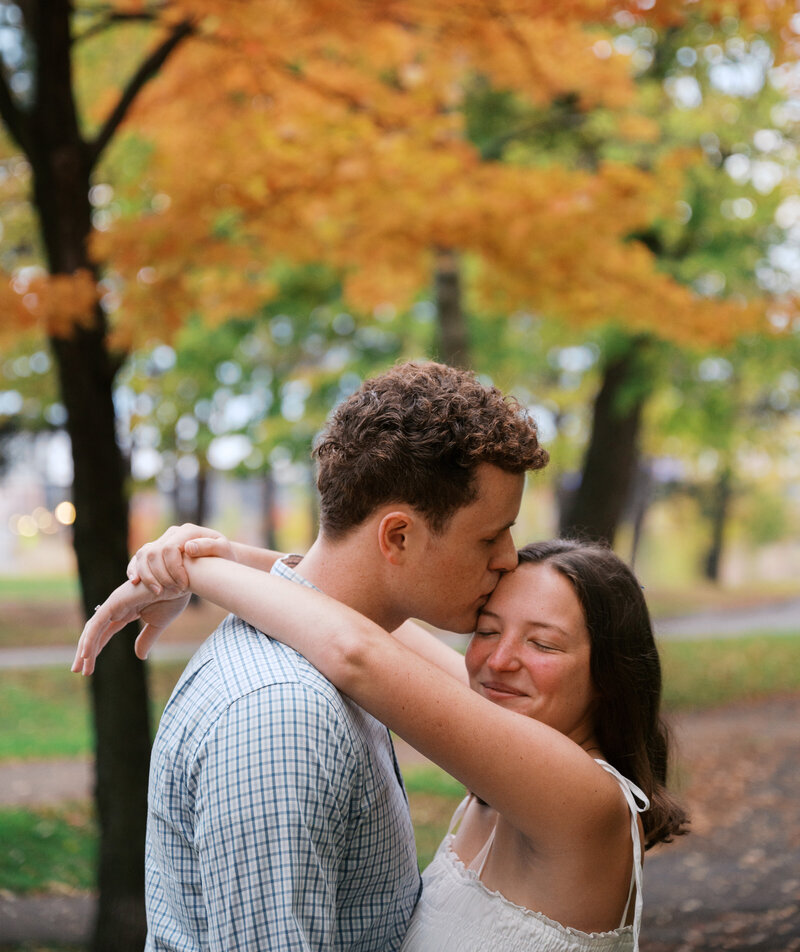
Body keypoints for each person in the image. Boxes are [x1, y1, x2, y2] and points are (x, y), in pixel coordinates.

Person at [74, 361, 548, 951]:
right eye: (489, 536)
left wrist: (213, 563)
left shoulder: (336, 662)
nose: (509, 558)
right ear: (398, 537)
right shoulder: (282, 714)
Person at [77, 537, 688, 952]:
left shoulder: (583, 799)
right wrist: (220, 550)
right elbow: (364, 621)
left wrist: (196, 572)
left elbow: (358, 654)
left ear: (610, 676)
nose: (500, 661)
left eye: (544, 644)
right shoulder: (511, 721)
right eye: (487, 630)